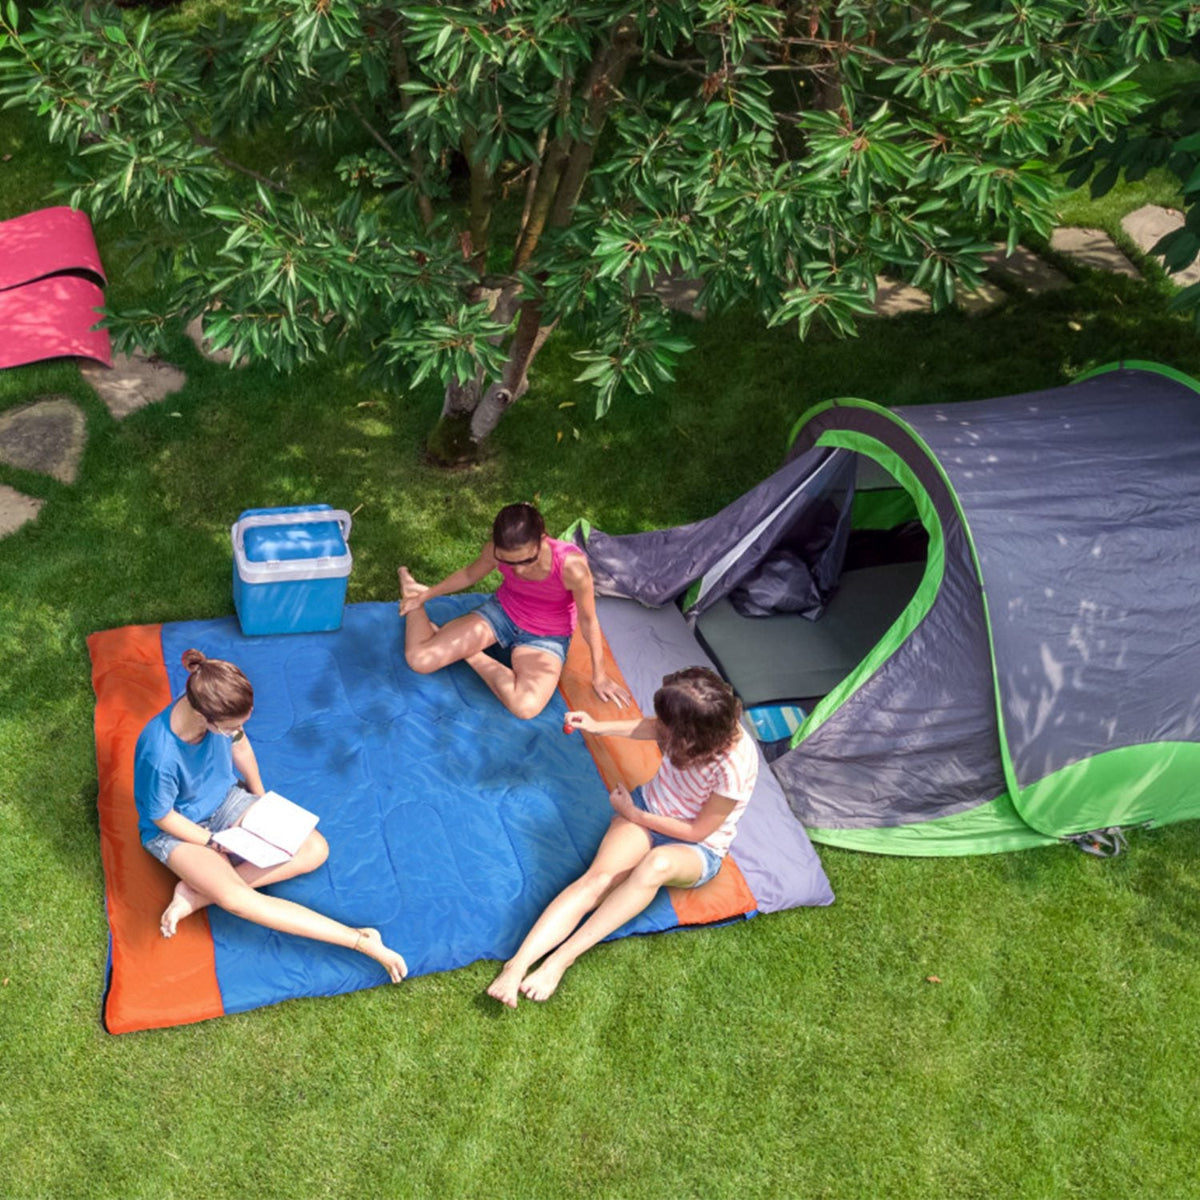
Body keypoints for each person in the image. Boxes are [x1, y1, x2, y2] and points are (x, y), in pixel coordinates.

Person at [486, 666, 757, 1006]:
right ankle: (517, 965)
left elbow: (697, 830)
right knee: (597, 881)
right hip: (648, 812)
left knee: (655, 865)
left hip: (696, 846)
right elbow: (654, 726)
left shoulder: (734, 766)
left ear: (690, 734)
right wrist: (597, 726)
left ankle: (560, 960)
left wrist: (633, 814)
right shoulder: (701, 721)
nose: (663, 727)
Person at [134, 649, 408, 982]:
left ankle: (197, 894)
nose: (238, 730)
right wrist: (212, 842)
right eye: (232, 727)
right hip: (180, 830)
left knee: (314, 849)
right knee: (237, 900)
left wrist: (260, 799)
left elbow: (241, 746)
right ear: (206, 717)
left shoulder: (214, 702)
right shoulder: (159, 752)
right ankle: (360, 940)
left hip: (227, 802)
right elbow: (162, 817)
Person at [398, 501, 631, 719]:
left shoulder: (572, 567)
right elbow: (470, 574)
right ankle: (411, 593)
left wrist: (599, 675)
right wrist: (425, 596)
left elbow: (589, 620)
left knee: (525, 707)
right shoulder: (494, 550)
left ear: (542, 538)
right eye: (508, 562)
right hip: (501, 615)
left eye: (527, 560)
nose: (518, 571)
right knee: (420, 660)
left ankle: (471, 653)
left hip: (546, 637)